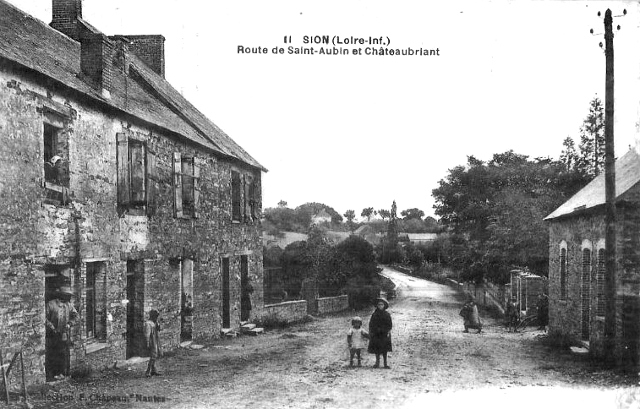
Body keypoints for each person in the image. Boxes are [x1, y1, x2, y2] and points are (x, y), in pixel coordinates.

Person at [45, 286, 78, 380]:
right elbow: (44, 318)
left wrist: (69, 324)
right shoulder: (51, 304)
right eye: (67, 295)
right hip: (53, 335)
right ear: (62, 295)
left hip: (64, 334)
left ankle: (64, 373)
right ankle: (53, 375)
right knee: (54, 354)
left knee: (64, 354)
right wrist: (52, 327)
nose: (68, 297)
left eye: (69, 296)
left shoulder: (68, 305)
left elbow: (76, 316)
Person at [368, 297, 392, 369]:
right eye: (379, 305)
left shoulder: (387, 314)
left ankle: (385, 364)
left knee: (385, 349)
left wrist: (387, 331)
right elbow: (371, 324)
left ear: (384, 305)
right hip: (376, 334)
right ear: (377, 306)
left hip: (384, 334)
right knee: (377, 349)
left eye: (382, 304)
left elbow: (390, 324)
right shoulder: (374, 314)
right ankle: (377, 363)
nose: (380, 306)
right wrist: (372, 332)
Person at [144, 309, 162, 377]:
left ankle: (153, 370)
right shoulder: (148, 323)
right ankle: (148, 371)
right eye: (155, 316)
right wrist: (148, 342)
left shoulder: (155, 322)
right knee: (153, 355)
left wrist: (157, 323)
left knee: (155, 354)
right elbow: (147, 334)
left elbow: (159, 330)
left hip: (156, 340)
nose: (156, 318)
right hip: (152, 340)